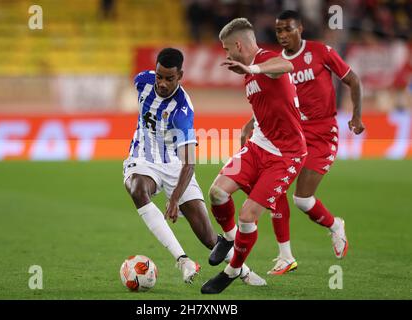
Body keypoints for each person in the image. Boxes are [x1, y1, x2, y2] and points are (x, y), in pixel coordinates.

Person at [123, 47, 265, 285]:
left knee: (208, 236)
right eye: (159, 76)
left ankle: (245, 272)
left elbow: (189, 163)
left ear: (180, 75)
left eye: (169, 78)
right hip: (143, 158)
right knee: (138, 189)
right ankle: (183, 260)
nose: (162, 83)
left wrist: (175, 198)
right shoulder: (143, 81)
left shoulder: (182, 111)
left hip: (177, 166)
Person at [240, 10, 365, 275]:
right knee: (275, 190)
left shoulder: (321, 52)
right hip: (291, 134)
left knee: (302, 200)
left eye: (288, 29)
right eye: (278, 31)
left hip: (322, 133)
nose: (283, 35)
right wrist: (252, 122)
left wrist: (355, 116)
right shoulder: (275, 62)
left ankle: (335, 226)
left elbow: (353, 80)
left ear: (301, 29)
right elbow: (269, 99)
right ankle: (285, 256)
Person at [201, 18, 306, 294]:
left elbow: (287, 66)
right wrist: (250, 123)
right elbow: (270, 100)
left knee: (248, 215)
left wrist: (252, 67)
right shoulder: (248, 74)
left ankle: (232, 270)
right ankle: (227, 237)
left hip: (286, 154)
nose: (226, 55)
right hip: (259, 145)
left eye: (227, 49)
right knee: (217, 193)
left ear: (238, 45)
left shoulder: (265, 60)